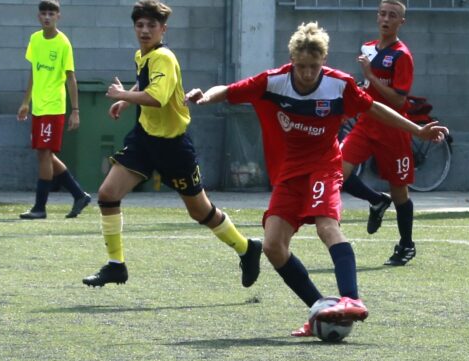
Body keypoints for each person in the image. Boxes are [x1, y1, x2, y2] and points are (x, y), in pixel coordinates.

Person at [186, 22, 448, 337]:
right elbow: (228, 90)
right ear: (291, 61)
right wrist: (204, 97)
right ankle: (319, 309)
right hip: (289, 173)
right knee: (272, 245)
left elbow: (374, 107)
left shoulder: (339, 85)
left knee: (327, 226)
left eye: (314, 66)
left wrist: (417, 130)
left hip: (325, 165)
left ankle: (351, 298)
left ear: (323, 61)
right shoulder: (273, 81)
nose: (308, 73)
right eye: (301, 66)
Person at [82, 0, 262, 288]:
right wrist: (126, 102)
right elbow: (146, 83)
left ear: (163, 29)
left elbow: (157, 97)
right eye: (139, 25)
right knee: (107, 194)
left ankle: (246, 248)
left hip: (173, 148)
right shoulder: (144, 55)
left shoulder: (164, 57)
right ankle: (116, 265)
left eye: (151, 25)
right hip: (143, 141)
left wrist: (122, 96)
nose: (144, 30)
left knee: (200, 211)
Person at [340, 0, 419, 266]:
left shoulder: (402, 56)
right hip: (366, 124)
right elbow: (366, 90)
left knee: (399, 192)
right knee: (337, 171)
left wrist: (372, 77)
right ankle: (376, 201)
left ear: (401, 22)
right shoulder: (368, 48)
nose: (386, 19)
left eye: (392, 15)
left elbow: (398, 100)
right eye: (383, 13)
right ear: (377, 16)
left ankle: (406, 245)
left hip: (393, 129)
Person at [17, 0, 91, 220]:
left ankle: (40, 207)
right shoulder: (35, 39)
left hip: (54, 107)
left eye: (52, 13)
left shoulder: (63, 43)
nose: (47, 17)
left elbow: (71, 78)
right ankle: (79, 194)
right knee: (44, 154)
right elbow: (33, 72)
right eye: (44, 13)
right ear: (38, 16)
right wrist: (25, 102)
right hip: (39, 107)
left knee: (44, 155)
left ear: (58, 16)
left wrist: (75, 110)